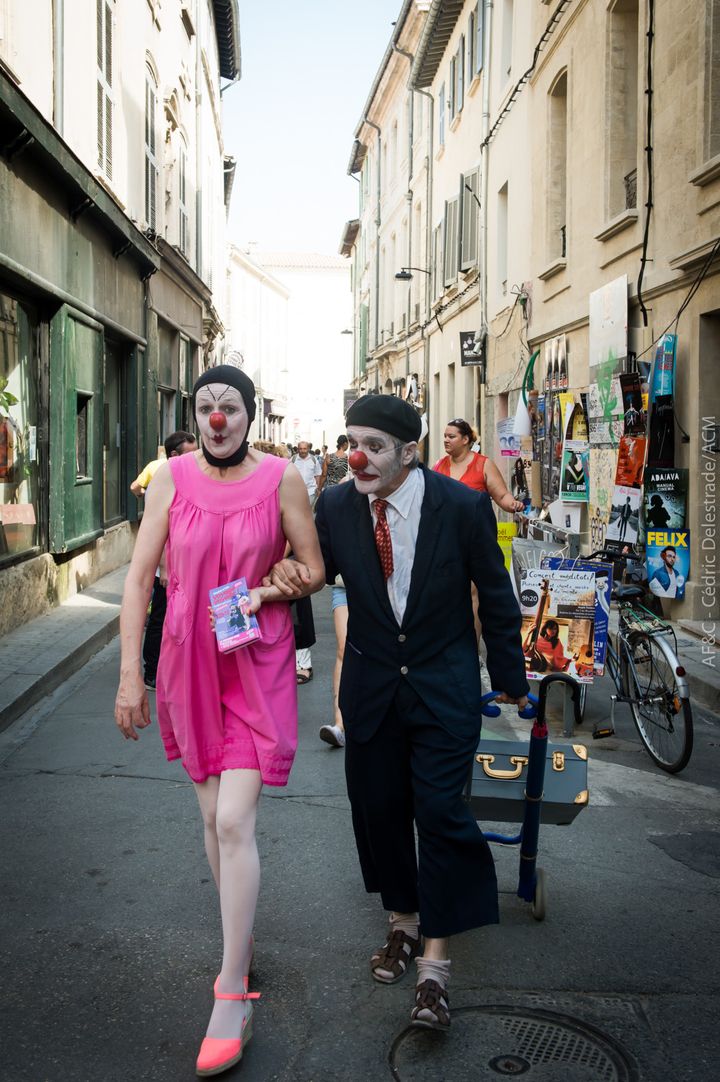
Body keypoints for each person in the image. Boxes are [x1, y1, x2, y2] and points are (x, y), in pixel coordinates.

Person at [266, 394, 529, 1032]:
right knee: (379, 810)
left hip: (444, 687)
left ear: (409, 452)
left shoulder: (462, 506)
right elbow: (309, 566)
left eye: (374, 446)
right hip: (372, 687)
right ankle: (403, 922)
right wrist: (279, 582)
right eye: (352, 441)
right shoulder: (334, 504)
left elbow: (496, 596)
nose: (357, 457)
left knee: (440, 813)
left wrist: (512, 680)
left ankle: (436, 969)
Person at [114, 365, 324, 1078]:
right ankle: (242, 935)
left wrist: (274, 586)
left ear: (250, 414)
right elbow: (141, 578)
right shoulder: (170, 478)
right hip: (187, 662)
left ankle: (232, 991)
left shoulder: (282, 480)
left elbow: (313, 566)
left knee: (234, 820)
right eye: (204, 406)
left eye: (229, 407)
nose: (216, 418)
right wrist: (128, 678)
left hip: (255, 659)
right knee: (212, 821)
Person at [130, 431, 197, 690]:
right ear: (174, 456)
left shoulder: (191, 478)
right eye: (191, 454)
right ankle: (152, 673)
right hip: (167, 570)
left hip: (186, 568)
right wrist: (163, 567)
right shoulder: (162, 481)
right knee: (160, 619)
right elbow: (157, 533)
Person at [317, 434, 352, 749]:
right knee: (343, 648)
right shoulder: (340, 497)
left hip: (388, 592)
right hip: (345, 586)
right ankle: (340, 724)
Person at [433, 418, 524, 513]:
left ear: (465, 439)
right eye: (445, 436)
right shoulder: (439, 466)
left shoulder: (484, 465)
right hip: (445, 526)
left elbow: (502, 496)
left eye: (451, 437)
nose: (446, 440)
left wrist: (512, 504)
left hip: (474, 526)